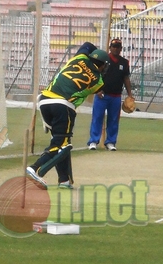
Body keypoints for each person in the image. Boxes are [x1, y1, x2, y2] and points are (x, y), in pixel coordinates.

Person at [25, 48, 108, 189]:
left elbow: (86, 45)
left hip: (45, 100)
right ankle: (35, 169)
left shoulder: (79, 57)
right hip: (62, 105)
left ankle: (64, 180)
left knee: (61, 141)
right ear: (102, 65)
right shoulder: (98, 81)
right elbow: (96, 89)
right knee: (61, 144)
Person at [87, 38, 133, 151]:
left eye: (118, 47)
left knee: (113, 120)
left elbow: (126, 78)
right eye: (114, 46)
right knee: (97, 118)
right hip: (102, 95)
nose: (116, 49)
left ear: (121, 49)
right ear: (110, 47)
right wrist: (97, 90)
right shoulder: (103, 60)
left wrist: (130, 94)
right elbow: (95, 75)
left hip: (116, 96)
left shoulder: (124, 62)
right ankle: (93, 141)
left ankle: (110, 142)